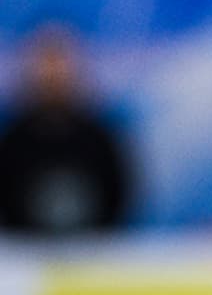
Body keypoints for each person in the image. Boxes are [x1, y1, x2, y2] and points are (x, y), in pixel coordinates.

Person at [0, 22, 133, 234]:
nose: (53, 72)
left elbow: (121, 198)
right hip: (23, 257)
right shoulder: (12, 140)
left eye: (60, 60)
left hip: (93, 252)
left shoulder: (101, 138)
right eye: (45, 61)